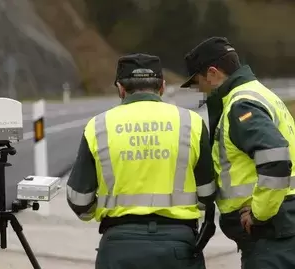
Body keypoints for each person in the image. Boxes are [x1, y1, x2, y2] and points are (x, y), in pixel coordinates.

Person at [66, 53, 217, 269]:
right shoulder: (191, 122)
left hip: (118, 247)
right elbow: (207, 194)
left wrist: (103, 208)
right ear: (162, 87)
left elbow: (79, 201)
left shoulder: (98, 126)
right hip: (178, 246)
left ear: (120, 88)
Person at [181, 36, 295, 269]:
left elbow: (276, 159)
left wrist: (259, 214)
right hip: (281, 228)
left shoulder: (241, 104)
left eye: (197, 82)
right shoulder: (261, 94)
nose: (199, 90)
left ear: (212, 73)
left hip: (271, 235)